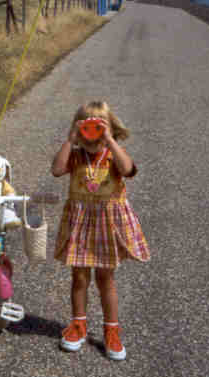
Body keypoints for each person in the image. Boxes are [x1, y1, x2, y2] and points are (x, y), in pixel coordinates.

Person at [50, 100, 150, 360]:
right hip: (80, 223)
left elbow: (128, 169)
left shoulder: (114, 154)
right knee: (79, 277)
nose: (92, 135)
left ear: (110, 128)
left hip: (107, 224)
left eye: (99, 128)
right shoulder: (75, 155)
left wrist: (110, 141)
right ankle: (78, 325)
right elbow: (57, 170)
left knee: (106, 279)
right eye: (87, 129)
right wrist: (70, 140)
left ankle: (111, 331)